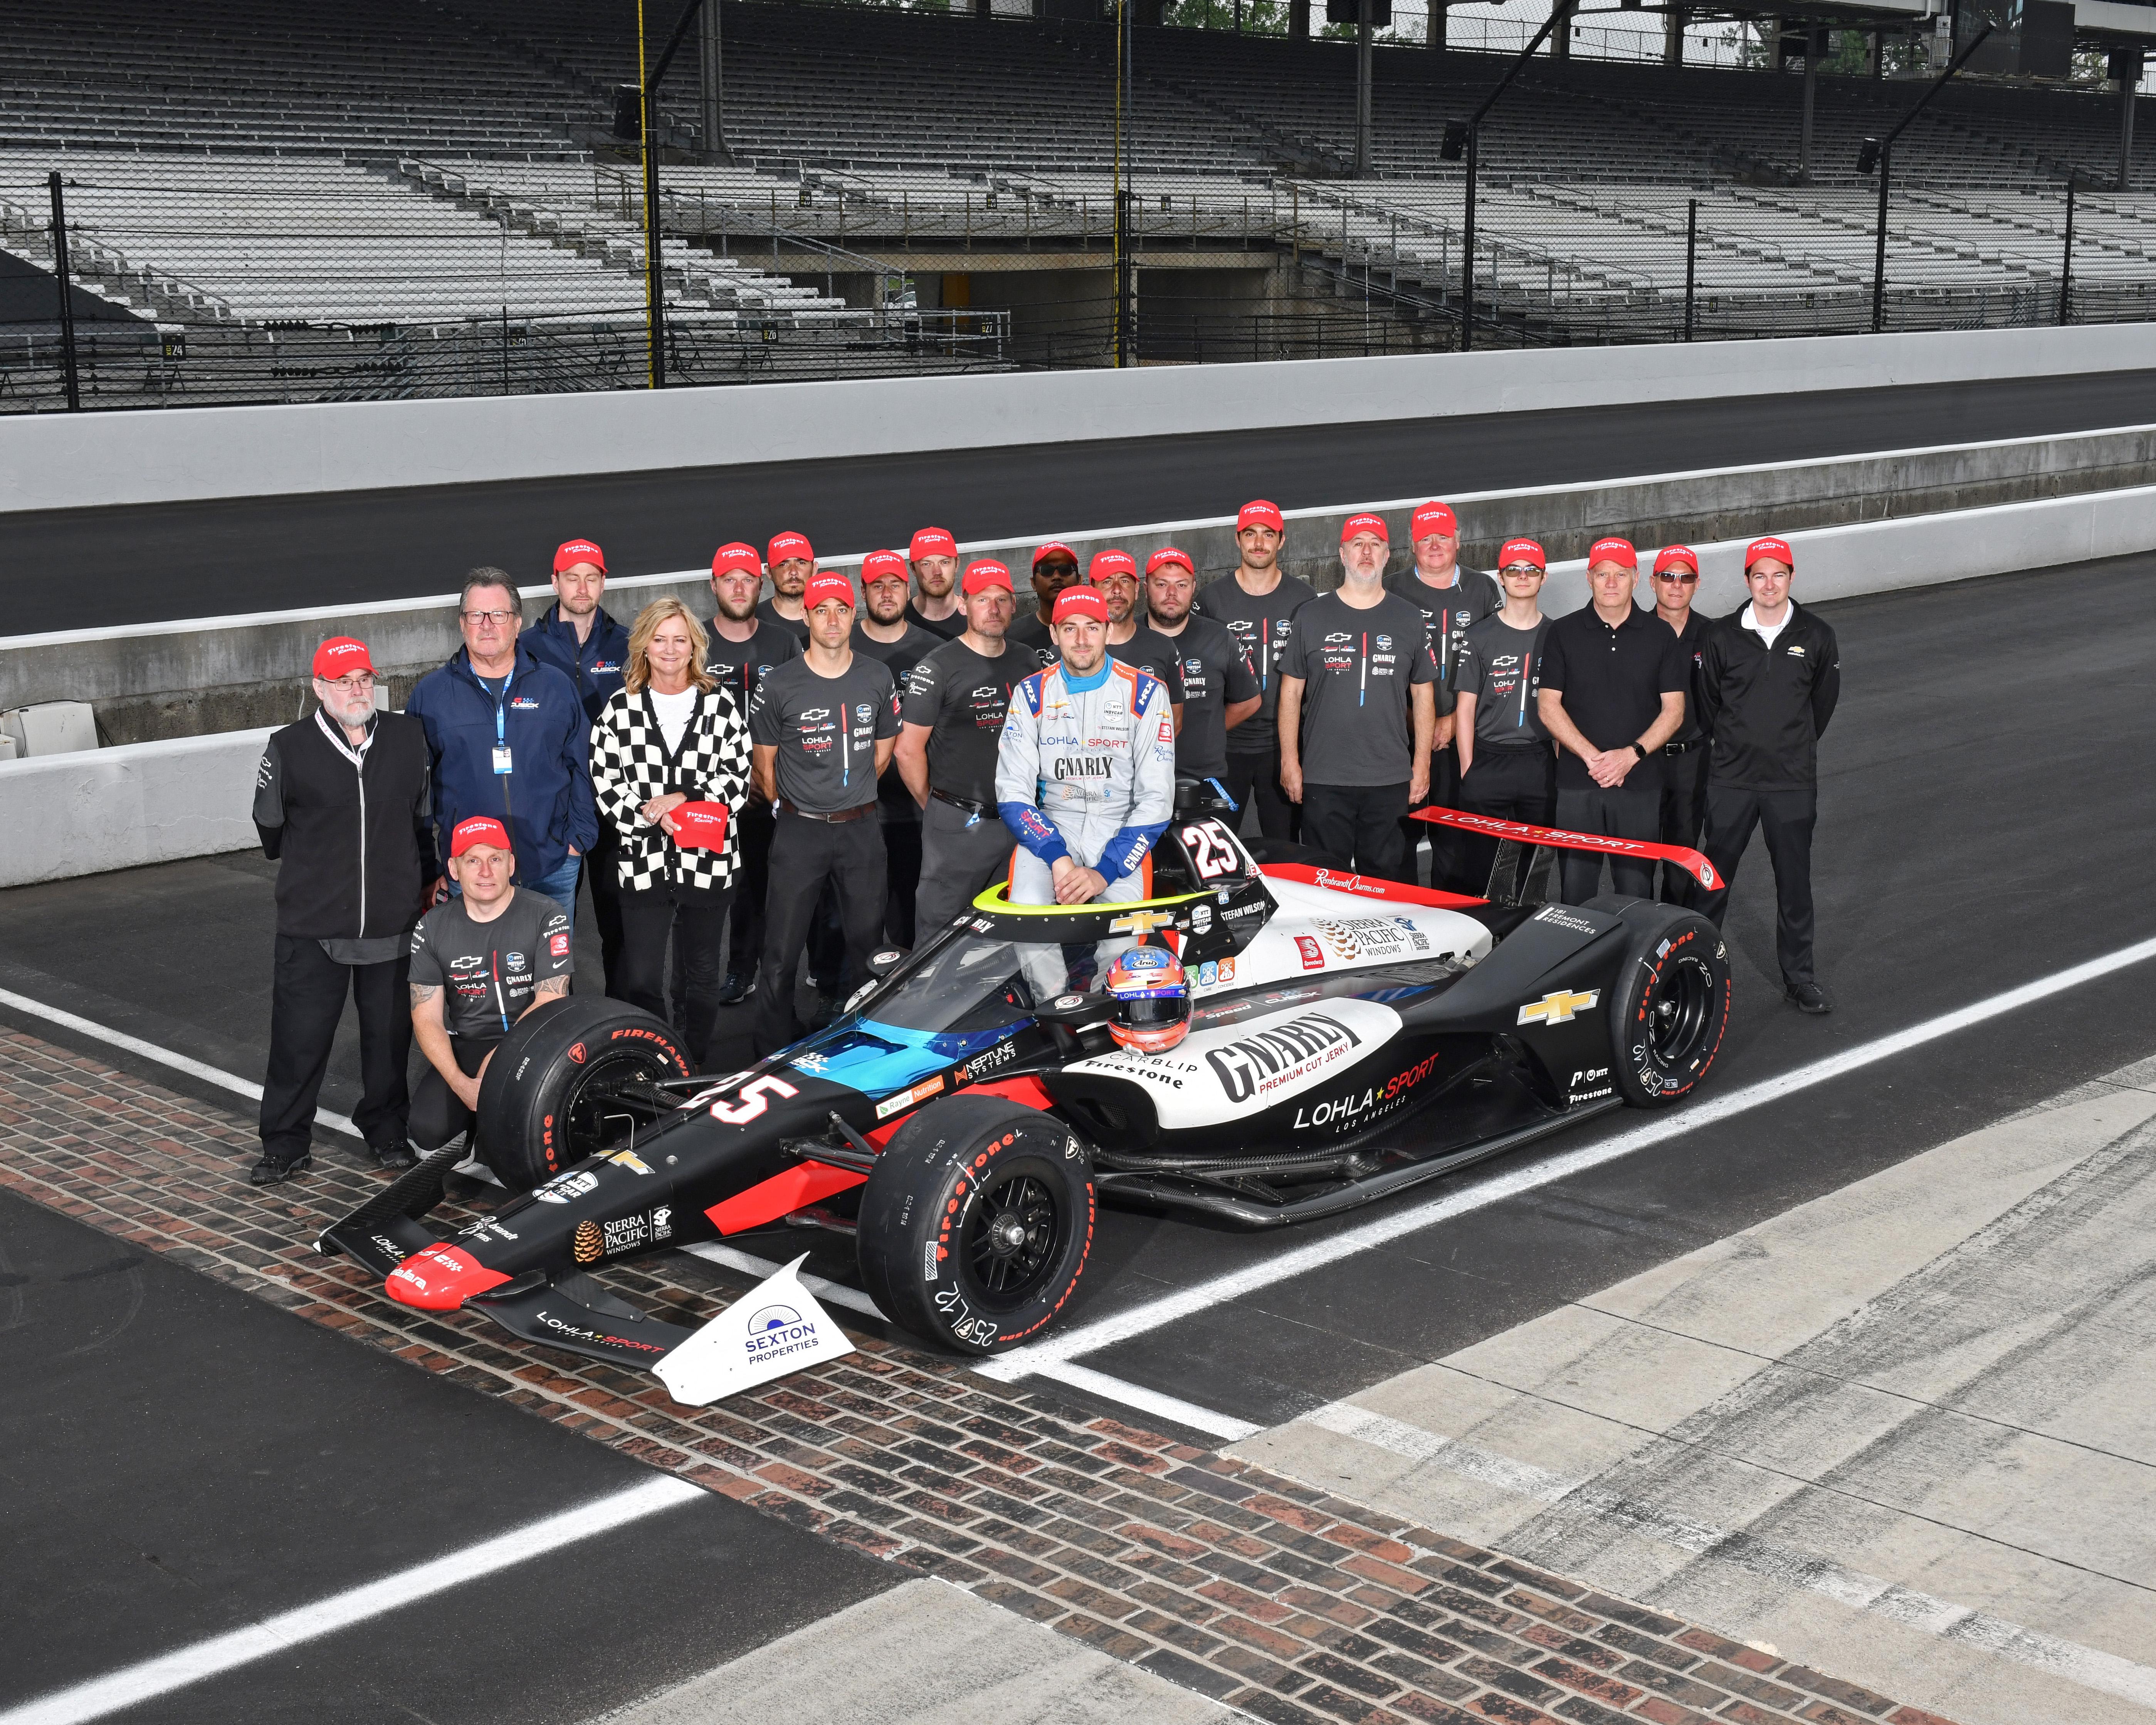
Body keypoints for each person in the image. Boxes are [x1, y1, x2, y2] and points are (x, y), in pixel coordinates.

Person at [248, 636, 434, 1185]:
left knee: (388, 1041)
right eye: (342, 680)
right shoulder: (288, 747)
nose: (356, 690)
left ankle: (386, 1131)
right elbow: (270, 828)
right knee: (298, 1043)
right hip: (312, 926)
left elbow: (422, 821)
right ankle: (285, 1144)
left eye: (364, 679)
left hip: (392, 924)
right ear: (319, 688)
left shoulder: (408, 738)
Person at [590, 599, 751, 1065]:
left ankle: (691, 1061)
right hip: (643, 862)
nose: (669, 649)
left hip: (709, 859)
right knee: (641, 976)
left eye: (680, 639)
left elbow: (737, 782)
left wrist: (683, 798)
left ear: (694, 647)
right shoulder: (621, 709)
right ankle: (654, 1061)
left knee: (700, 975)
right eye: (659, 639)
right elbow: (605, 780)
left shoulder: (720, 706)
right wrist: (651, 815)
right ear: (643, 645)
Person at [748, 572, 901, 1054]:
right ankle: (769, 1050)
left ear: (853, 614)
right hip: (800, 832)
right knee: (780, 952)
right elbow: (763, 767)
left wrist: (849, 796)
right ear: (806, 617)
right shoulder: (780, 684)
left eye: (841, 609)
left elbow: (883, 751)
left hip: (860, 830)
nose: (832, 619)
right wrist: (797, 808)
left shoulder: (877, 675)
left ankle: (865, 1045)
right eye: (821, 610)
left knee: (868, 950)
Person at [1697, 536, 1841, 1015]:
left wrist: (1790, 746)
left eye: (1778, 574)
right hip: (1732, 781)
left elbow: (1821, 706)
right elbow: (1708, 704)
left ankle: (1800, 979)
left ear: (1791, 577)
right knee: (1712, 882)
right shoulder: (1720, 636)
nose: (1769, 584)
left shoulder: (1817, 635)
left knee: (1795, 885)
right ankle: (1691, 975)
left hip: (1790, 782)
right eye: (1759, 575)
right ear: (1747, 580)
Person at [407, 568, 594, 920]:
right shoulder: (431, 695)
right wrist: (429, 866)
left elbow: (582, 765)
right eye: (476, 615)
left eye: (498, 615)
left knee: (550, 973)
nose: (487, 625)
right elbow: (414, 789)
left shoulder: (555, 687)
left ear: (517, 622)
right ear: (462, 623)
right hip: (469, 874)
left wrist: (576, 842)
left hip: (551, 866)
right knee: (479, 974)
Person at [996, 584, 1176, 918]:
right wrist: (1055, 855)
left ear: (1108, 630)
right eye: (1069, 628)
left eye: (1092, 627)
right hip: (1052, 825)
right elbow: (1012, 793)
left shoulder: (1146, 693)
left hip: (1119, 826)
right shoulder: (1031, 694)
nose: (1081, 640)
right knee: (1026, 915)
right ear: (1053, 633)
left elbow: (1157, 798)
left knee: (1125, 936)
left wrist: (1105, 872)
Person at [1276, 514, 1436, 880]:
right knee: (1324, 884)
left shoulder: (1409, 618)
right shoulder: (1310, 616)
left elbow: (1424, 696)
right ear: (1342, 554)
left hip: (1390, 778)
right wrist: (1290, 762)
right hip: (1324, 776)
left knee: (1389, 885)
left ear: (1387, 556)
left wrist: (1422, 765)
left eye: (1375, 544)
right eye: (1357, 544)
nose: (1366, 551)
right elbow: (1290, 695)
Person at [407, 816, 574, 1155]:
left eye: (495, 859)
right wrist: (461, 1084)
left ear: (511, 864)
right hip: (470, 1043)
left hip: (536, 1043)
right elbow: (426, 1018)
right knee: (428, 1131)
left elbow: (550, 1000)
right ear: (454, 869)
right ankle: (477, 1126)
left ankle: (494, 1131)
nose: (485, 872)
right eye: (473, 861)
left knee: (525, 1143)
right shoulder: (431, 926)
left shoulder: (547, 913)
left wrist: (494, 1069)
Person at [1536, 536, 1687, 904]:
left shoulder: (1660, 634)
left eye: (1620, 574)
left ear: (1636, 579)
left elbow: (1675, 710)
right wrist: (1593, 759)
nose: (1611, 583)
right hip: (1578, 783)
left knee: (1636, 894)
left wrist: (1629, 756)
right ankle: (1579, 962)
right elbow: (1547, 706)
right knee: (1575, 893)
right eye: (1602, 574)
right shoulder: (1563, 633)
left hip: (1639, 783)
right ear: (1588, 578)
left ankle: (1634, 964)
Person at [899, 559, 1040, 937]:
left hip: (1018, 819)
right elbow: (907, 751)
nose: (993, 609)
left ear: (1014, 605)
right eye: (982, 600)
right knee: (940, 927)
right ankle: (930, 996)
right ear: (964, 605)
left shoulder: (1026, 659)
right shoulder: (937, 668)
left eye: (1002, 600)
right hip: (959, 822)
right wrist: (939, 809)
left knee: (1009, 925)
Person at [520, 538, 631, 992]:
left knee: (620, 927)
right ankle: (551, 1021)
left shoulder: (629, 645)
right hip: (553, 808)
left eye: (592, 577)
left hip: (615, 804)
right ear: (555, 582)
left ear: (604, 583)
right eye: (572, 577)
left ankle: (625, 1018)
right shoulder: (526, 647)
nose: (582, 587)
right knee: (549, 930)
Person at [703, 541, 802, 1007]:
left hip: (774, 790)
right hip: (714, 796)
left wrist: (773, 780)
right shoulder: (696, 641)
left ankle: (782, 980)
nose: (739, 588)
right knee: (721, 892)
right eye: (729, 579)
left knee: (778, 888)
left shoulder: (783, 641)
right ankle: (735, 971)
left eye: (747, 579)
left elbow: (802, 716)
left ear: (760, 585)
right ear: (714, 585)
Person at [1387, 501, 1502, 891]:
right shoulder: (1392, 589)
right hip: (1401, 738)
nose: (1434, 545)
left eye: (1443, 536)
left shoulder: (1484, 589)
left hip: (1462, 736)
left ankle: (1454, 930)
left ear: (1458, 539)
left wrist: (1453, 723)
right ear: (1412, 545)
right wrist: (1416, 723)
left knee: (1455, 842)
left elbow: (1499, 663)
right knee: (1398, 839)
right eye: (1425, 538)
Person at [1193, 500, 1314, 842]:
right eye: (1250, 534)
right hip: (1226, 748)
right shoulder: (1211, 600)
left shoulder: (1303, 598)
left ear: (1281, 540)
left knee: (1286, 846)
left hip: (1284, 746)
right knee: (1218, 847)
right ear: (1237, 539)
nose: (1259, 543)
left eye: (1267, 534)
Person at [1452, 539, 1558, 895]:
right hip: (1489, 758)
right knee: (1481, 864)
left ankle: (1528, 931)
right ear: (1500, 577)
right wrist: (1469, 769)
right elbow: (1464, 708)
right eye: (1514, 570)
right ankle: (1484, 935)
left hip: (1539, 760)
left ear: (1544, 578)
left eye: (1531, 570)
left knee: (1535, 866)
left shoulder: (1558, 635)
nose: (1522, 577)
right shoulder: (1478, 636)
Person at [852, 549, 942, 948]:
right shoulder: (838, 644)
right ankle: (842, 991)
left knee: (912, 914)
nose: (887, 594)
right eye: (877, 586)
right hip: (856, 808)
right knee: (855, 914)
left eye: (895, 585)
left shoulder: (938, 650)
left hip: (917, 807)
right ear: (863, 592)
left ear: (908, 588)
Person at [1144, 546, 1259, 787]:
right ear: (1145, 588)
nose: (1172, 593)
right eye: (1162, 584)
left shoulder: (1219, 638)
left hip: (1205, 777)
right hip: (1139, 778)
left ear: (1194, 588)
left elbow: (1250, 701)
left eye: (1182, 585)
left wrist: (1210, 732)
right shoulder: (1127, 638)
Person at [1649, 545, 1713, 908]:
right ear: (1653, 582)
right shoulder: (1632, 631)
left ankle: (1676, 942)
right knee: (1637, 860)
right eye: (1668, 577)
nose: (1676, 585)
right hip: (1643, 763)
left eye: (1685, 578)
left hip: (1692, 762)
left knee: (1681, 861)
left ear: (1696, 584)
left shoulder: (1715, 635)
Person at [1091, 548, 1186, 728]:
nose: (1117, 590)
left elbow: (1175, 723)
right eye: (1107, 582)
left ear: (1136, 590)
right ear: (1092, 591)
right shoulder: (1071, 649)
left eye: (1125, 581)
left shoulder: (1164, 647)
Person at [1007, 541, 1082, 656]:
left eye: (1065, 570)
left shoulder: (1097, 632)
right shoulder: (1012, 637)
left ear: (1080, 581)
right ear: (1033, 584)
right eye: (1047, 571)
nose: (1057, 577)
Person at [906, 526, 964, 639]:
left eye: (945, 562)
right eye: (926, 564)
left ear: (956, 564)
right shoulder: (899, 620)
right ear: (913, 569)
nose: (937, 572)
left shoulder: (977, 618)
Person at [757, 530, 814, 644]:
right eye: (784, 564)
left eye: (801, 563)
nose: (793, 572)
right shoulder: (753, 621)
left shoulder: (830, 620)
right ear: (769, 572)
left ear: (815, 569)